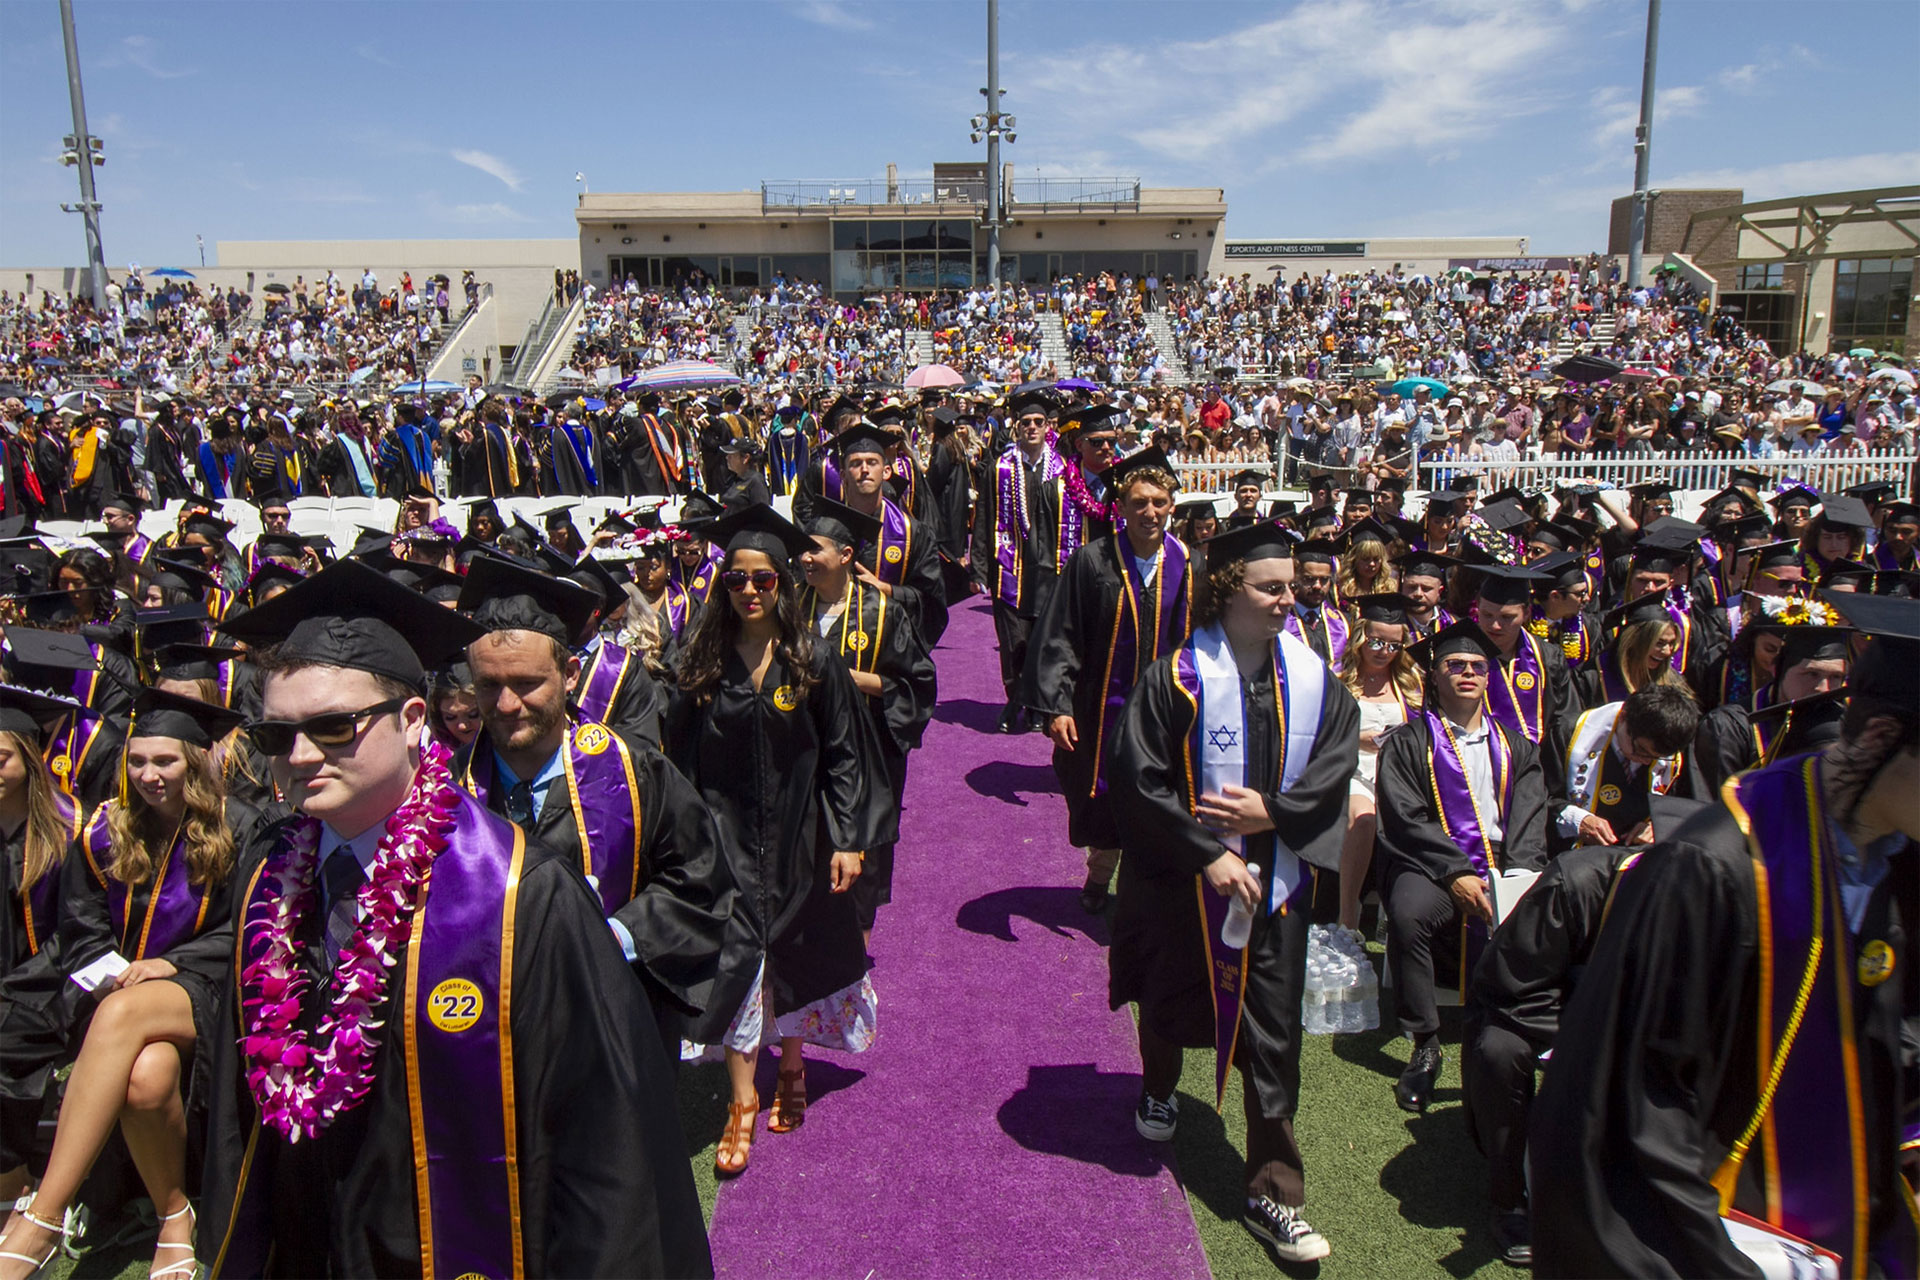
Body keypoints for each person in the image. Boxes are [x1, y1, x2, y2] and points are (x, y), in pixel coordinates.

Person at [200, 560, 711, 1278]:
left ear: (413, 720)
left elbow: (602, 1151)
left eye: (335, 726)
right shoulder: (268, 880)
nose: (302, 755)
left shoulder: (523, 894)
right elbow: (239, 1103)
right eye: (275, 735)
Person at [1530, 591, 1920, 1278]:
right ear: (1884, 737)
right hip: (1717, 1238)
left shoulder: (1896, 865)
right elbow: (1628, 1114)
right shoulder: (1712, 868)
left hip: (1841, 1229)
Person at [1107, 522, 1359, 1265]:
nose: (1289, 599)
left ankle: (1274, 1193)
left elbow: (1336, 760)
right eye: (1271, 588)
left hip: (1274, 888)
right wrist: (1206, 852)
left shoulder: (1313, 680)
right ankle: (1159, 1087)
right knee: (1168, 996)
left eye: (1292, 587)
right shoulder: (1175, 678)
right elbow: (1137, 778)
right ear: (1227, 589)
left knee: (1274, 1039)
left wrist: (1273, 813)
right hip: (1183, 883)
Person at [664, 505, 894, 1179]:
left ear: (782, 584)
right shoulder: (700, 661)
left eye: (763, 579)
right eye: (737, 579)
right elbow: (676, 762)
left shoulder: (812, 658)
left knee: (796, 951)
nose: (750, 591)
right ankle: (741, 1099)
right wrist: (684, 844)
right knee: (734, 960)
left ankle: (792, 1066)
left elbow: (845, 754)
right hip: (724, 837)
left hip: (803, 836)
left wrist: (847, 838)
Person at [0, 689, 260, 1280]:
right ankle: (175, 1217)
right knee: (146, 1076)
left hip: (211, 986)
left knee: (121, 1014)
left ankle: (42, 1216)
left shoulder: (245, 826)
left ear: (195, 761)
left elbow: (252, 923)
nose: (148, 775)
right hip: (121, 993)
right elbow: (80, 925)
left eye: (164, 761)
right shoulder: (108, 828)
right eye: (137, 761)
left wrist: (173, 963)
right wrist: (108, 970)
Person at [453, 553, 733, 1046]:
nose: (506, 704)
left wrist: (615, 936)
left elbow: (699, 881)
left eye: (527, 683)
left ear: (570, 674)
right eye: (488, 685)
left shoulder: (635, 773)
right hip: (485, 1035)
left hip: (612, 1027)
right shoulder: (446, 788)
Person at [1374, 621, 1550, 1115]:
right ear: (1435, 674)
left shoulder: (1518, 747)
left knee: (1542, 912)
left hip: (1502, 864)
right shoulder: (1409, 742)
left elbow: (1529, 821)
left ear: (1489, 677)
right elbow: (1404, 819)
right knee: (1408, 913)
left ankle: (1522, 1033)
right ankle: (1425, 1044)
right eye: (1455, 665)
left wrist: (1516, 880)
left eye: (1477, 666)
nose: (1468, 673)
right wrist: (1455, 872)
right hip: (1431, 863)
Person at [1026, 448, 1193, 915]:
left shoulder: (1190, 565)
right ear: (1120, 507)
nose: (1149, 512)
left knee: (1163, 797)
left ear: (1172, 505)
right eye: (1139, 502)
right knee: (1104, 798)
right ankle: (1101, 874)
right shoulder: (1092, 562)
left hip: (1167, 712)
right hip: (1102, 707)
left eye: (1159, 502)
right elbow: (1060, 636)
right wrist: (1058, 706)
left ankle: (1148, 891)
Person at [799, 499, 936, 940]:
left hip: (867, 754)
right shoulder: (789, 609)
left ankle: (858, 952)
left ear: (845, 555)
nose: (805, 558)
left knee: (865, 852)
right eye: (802, 549)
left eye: (815, 549)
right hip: (800, 751)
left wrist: (852, 679)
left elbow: (918, 684)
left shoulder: (883, 611)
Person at [971, 387, 1078, 733]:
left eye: (1038, 422)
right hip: (1009, 565)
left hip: (1050, 568)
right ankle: (1016, 698)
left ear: (1048, 426)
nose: (1032, 427)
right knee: (1013, 641)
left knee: (1042, 640)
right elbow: (984, 517)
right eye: (1025, 422)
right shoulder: (999, 468)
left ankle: (1033, 705)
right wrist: (979, 567)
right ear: (1016, 426)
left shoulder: (1064, 469)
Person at [1336, 594, 1420, 930]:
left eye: (1393, 645)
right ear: (1360, 637)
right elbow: (1318, 733)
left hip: (1398, 774)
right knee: (1365, 819)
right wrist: (1358, 740)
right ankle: (1347, 916)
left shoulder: (1411, 683)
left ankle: (1396, 918)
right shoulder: (1339, 678)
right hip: (1352, 770)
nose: (1384, 651)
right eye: (1376, 641)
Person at [831, 421, 949, 646]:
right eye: (856, 463)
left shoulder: (915, 534)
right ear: (843, 475)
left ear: (886, 471)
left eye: (872, 462)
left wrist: (887, 590)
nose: (864, 469)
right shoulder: (825, 531)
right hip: (835, 649)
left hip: (894, 646)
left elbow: (932, 602)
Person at [1555, 682, 1705, 852]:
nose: (1647, 762)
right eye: (1641, 750)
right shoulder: (1569, 735)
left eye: (1656, 757)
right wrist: (1576, 819)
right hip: (1573, 856)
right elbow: (1542, 798)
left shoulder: (1676, 756)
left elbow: (1689, 808)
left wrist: (1659, 825)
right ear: (1623, 717)